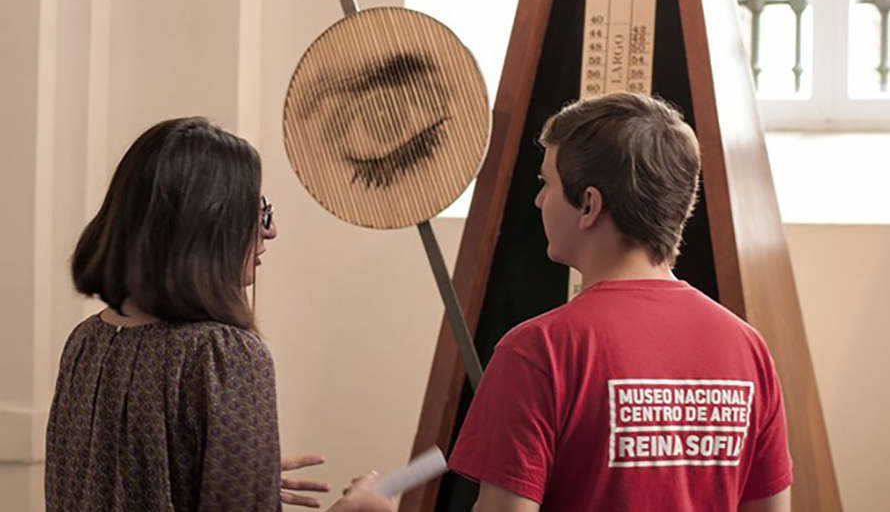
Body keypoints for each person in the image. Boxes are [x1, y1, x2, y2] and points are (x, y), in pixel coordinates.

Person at [447, 93, 793, 511]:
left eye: (546, 184)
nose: (539, 201)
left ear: (589, 205)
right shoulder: (747, 348)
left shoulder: (539, 350)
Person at [45, 117, 395, 512]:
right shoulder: (224, 355)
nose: (271, 230)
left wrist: (233, 480)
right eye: (260, 211)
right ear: (209, 222)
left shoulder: (85, 343)